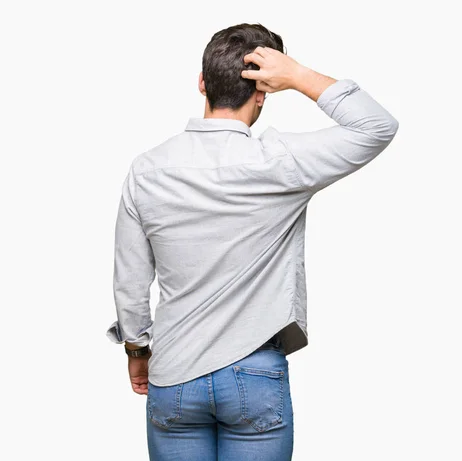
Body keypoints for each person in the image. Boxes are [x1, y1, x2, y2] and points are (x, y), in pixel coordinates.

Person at [106, 23, 398, 461]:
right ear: (263, 92)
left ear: (202, 83)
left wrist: (136, 350)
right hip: (253, 373)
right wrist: (297, 74)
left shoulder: (147, 169)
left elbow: (130, 280)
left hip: (174, 374)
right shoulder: (281, 162)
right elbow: (376, 126)